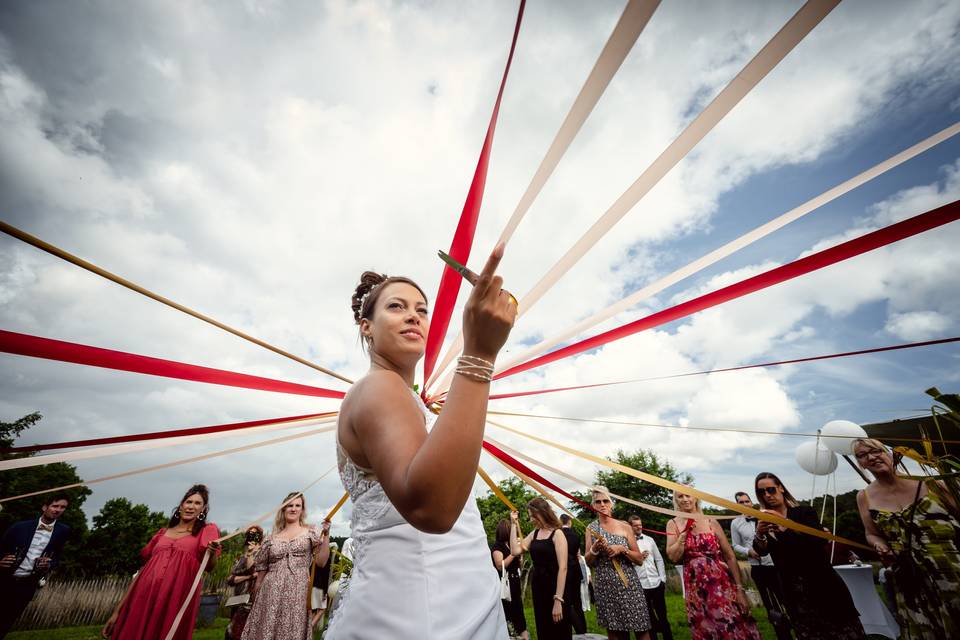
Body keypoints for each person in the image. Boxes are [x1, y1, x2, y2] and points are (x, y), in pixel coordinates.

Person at [325, 247, 516, 639]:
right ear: (367, 327)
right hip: (417, 613)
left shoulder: (402, 397)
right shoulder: (378, 387)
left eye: (422, 309)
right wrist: (478, 354)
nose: (413, 315)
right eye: (396, 307)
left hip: (459, 599)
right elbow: (433, 509)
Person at [853, 437, 960, 639]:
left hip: (951, 569)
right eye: (862, 455)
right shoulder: (864, 497)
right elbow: (872, 533)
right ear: (860, 464)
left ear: (890, 453)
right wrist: (879, 545)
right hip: (910, 579)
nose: (871, 457)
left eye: (876, 451)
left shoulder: (931, 484)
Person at [753, 472, 864, 640]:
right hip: (793, 590)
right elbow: (762, 551)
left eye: (770, 489)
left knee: (843, 631)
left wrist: (785, 527)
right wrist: (760, 534)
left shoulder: (804, 512)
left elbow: (817, 540)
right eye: (762, 492)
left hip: (822, 581)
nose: (767, 495)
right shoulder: (762, 519)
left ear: (781, 488)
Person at [102, 484, 221, 640]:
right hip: (143, 595)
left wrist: (211, 553)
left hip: (174, 599)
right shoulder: (162, 533)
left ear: (204, 509)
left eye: (197, 503)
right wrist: (117, 611)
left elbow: (210, 567)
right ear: (181, 505)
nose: (191, 506)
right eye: (188, 502)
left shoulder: (206, 531)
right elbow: (141, 573)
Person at [666, 490, 758, 640]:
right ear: (676, 500)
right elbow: (673, 557)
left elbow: (730, 556)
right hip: (696, 588)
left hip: (721, 584)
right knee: (706, 627)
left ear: (695, 497)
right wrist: (682, 537)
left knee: (730, 622)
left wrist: (740, 590)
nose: (684, 499)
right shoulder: (673, 524)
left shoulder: (711, 521)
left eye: (687, 495)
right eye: (680, 496)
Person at [241, 492, 330, 640]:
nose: (293, 509)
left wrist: (326, 535)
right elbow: (260, 577)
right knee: (267, 629)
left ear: (302, 510)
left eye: (297, 506)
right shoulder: (270, 539)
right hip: (270, 592)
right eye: (290, 505)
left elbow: (321, 562)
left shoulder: (310, 532)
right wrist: (257, 601)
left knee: (292, 629)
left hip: (298, 592)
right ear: (283, 509)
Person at [0, 494, 71, 638]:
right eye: (55, 506)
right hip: (4, 580)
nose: (58, 510)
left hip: (27, 584)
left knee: (6, 622)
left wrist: (49, 564)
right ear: (45, 507)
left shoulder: (64, 530)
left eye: (63, 507)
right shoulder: (19, 526)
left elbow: (57, 557)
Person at [584, 487, 651, 640]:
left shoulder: (625, 527)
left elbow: (639, 559)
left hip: (629, 585)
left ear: (612, 503)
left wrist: (622, 549)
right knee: (615, 631)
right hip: (605, 586)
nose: (602, 505)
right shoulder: (591, 529)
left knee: (641, 627)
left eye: (606, 501)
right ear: (593, 505)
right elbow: (588, 561)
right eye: (598, 502)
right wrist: (594, 550)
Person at [730, 491, 791, 640]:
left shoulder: (764, 515)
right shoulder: (735, 523)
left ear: (752, 502)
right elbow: (735, 545)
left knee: (786, 600)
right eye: (741, 502)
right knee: (770, 605)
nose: (745, 504)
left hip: (775, 565)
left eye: (747, 501)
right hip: (758, 568)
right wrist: (748, 551)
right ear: (737, 505)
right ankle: (782, 635)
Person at [510, 499, 570, 640]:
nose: (530, 519)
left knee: (558, 630)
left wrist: (558, 600)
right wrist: (513, 525)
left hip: (556, 588)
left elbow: (563, 568)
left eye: (531, 515)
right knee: (543, 629)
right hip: (539, 587)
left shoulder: (558, 534)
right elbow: (514, 550)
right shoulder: (534, 534)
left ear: (540, 513)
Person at [627, 515, 671, 640]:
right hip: (641, 586)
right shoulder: (627, 543)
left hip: (656, 583)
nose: (639, 527)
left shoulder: (650, 540)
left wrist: (662, 579)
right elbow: (628, 565)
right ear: (630, 527)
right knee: (649, 619)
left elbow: (659, 559)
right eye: (635, 525)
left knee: (663, 616)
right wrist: (638, 558)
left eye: (640, 524)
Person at [492, 519, 529, 640]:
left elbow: (518, 563)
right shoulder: (498, 546)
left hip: (515, 580)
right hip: (505, 583)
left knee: (518, 609)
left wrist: (519, 554)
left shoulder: (510, 545)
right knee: (508, 609)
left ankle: (523, 634)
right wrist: (513, 554)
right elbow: (500, 565)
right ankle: (510, 634)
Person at [225, 525, 263, 640]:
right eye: (249, 534)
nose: (251, 537)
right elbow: (230, 579)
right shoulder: (241, 558)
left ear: (259, 537)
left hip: (251, 602)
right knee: (232, 632)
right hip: (238, 600)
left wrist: (251, 553)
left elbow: (253, 569)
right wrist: (249, 577)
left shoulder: (262, 554)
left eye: (254, 534)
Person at [558, 514, 587, 634]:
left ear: (560, 522)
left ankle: (568, 628)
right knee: (577, 601)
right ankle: (582, 628)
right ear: (569, 521)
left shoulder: (558, 535)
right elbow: (577, 553)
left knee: (565, 601)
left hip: (564, 571)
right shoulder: (575, 536)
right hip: (575, 570)